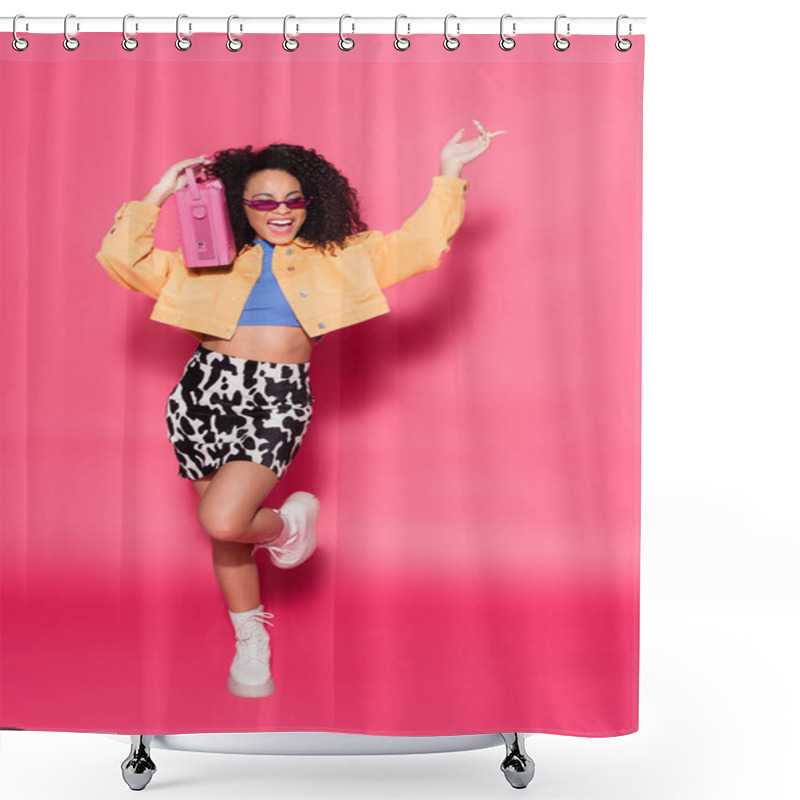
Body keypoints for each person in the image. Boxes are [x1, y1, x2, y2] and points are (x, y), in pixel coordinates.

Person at [95, 120, 505, 699]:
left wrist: (450, 175)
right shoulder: (206, 254)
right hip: (202, 392)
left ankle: (288, 525)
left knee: (224, 518)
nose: (279, 210)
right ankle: (250, 638)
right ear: (239, 205)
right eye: (263, 200)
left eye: (293, 200)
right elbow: (121, 262)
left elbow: (418, 247)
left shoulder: (340, 257)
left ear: (313, 203)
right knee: (228, 537)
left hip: (278, 396)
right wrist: (160, 195)